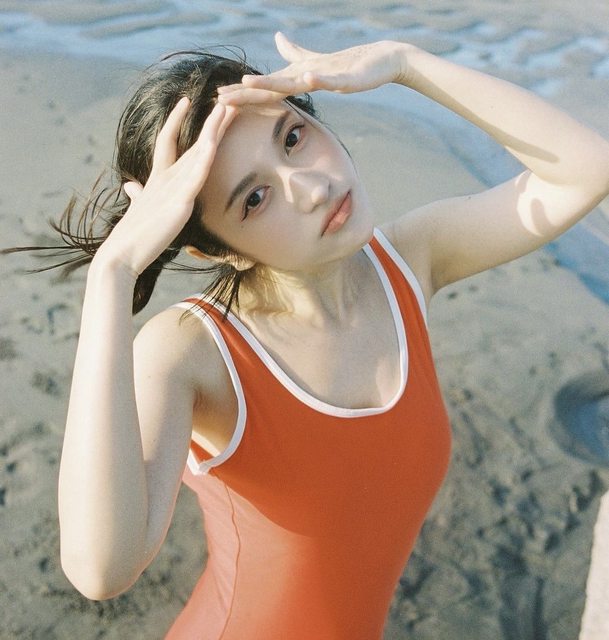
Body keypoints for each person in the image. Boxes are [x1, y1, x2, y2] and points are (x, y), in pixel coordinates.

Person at [12, 33, 609, 639]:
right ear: (219, 252)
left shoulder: (410, 262)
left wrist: (407, 64)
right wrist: (113, 274)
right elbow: (102, 570)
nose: (313, 186)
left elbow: (586, 172)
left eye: (293, 137)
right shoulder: (195, 351)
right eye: (255, 198)